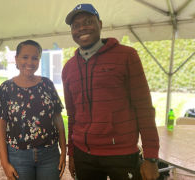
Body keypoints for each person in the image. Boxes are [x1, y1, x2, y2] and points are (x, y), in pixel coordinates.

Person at [62, 4, 160, 180]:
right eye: (76, 26)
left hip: (121, 154)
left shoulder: (127, 56)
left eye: (88, 22)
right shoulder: (68, 68)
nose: (82, 28)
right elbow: (72, 115)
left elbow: (144, 108)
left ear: (100, 24)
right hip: (84, 155)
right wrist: (72, 154)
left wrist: (151, 157)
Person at [0, 40, 66, 180]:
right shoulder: (6, 88)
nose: (30, 62)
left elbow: (57, 118)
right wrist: (4, 162)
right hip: (18, 156)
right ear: (16, 59)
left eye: (35, 58)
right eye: (25, 57)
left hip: (49, 154)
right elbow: (0, 125)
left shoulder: (47, 84)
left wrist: (63, 150)